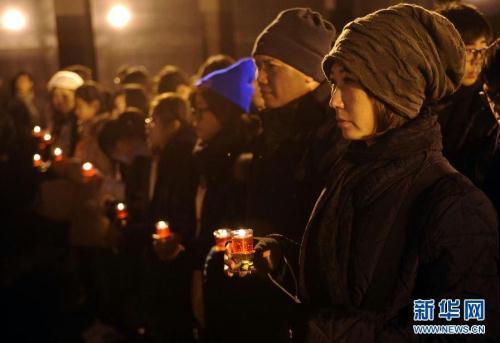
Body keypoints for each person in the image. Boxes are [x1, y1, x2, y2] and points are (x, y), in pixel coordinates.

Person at [239, 4, 499, 342]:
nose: (334, 100)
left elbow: (469, 319)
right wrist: (285, 260)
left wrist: (344, 333)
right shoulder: (348, 175)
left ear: (394, 87)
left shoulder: (454, 203)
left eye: (350, 81)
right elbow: (349, 281)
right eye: (333, 82)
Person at [247, 7, 347, 244]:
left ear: (309, 74)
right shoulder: (271, 129)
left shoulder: (335, 134)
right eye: (258, 66)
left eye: (271, 67)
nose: (259, 78)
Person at [435, 4, 496, 190]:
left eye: (483, 49)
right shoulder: (426, 100)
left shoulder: (489, 103)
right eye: (469, 50)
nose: (477, 60)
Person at [46, 70, 84, 157]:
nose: (59, 101)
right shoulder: (55, 120)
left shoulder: (81, 122)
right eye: (56, 96)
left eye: (65, 96)